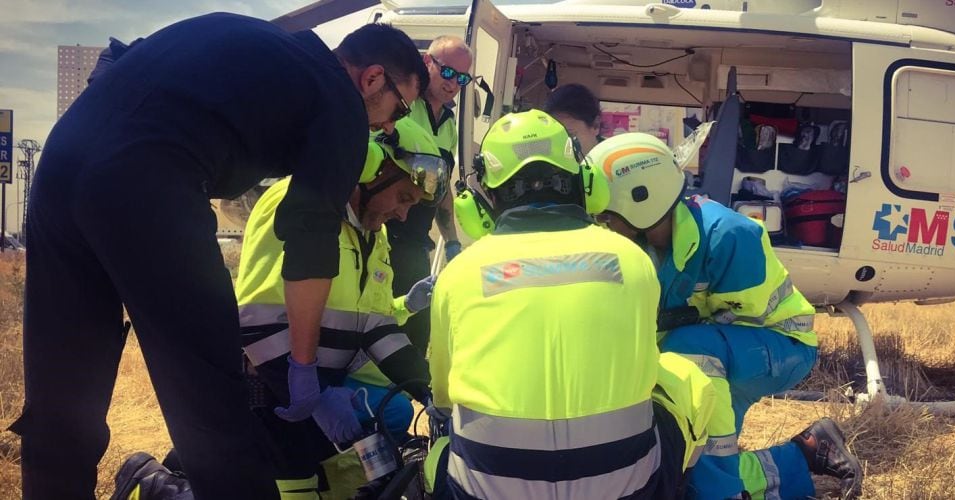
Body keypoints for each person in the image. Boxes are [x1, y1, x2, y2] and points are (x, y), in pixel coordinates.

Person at [14, 13, 428, 499]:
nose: (387, 125)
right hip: (151, 177)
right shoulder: (339, 98)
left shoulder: (262, 43)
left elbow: (117, 62)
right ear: (372, 78)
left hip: (63, 160)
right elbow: (311, 235)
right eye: (399, 109)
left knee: (63, 405)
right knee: (213, 406)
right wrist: (301, 368)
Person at [423, 109, 717, 499]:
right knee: (688, 380)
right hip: (626, 489)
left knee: (440, 447)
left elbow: (443, 396)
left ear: (481, 201)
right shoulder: (632, 260)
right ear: (587, 184)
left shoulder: (459, 273)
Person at [589, 133, 864, 499]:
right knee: (686, 474)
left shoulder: (728, 235)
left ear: (643, 199)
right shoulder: (638, 246)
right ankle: (807, 452)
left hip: (779, 346)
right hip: (715, 349)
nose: (599, 221)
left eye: (605, 212)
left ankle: (721, 492)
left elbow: (727, 325)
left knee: (690, 358)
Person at [236, 117, 446, 498]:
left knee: (335, 487)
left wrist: (429, 389)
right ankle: (159, 487)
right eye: (402, 198)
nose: (402, 215)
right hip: (272, 391)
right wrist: (313, 395)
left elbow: (377, 326)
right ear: (371, 168)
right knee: (289, 489)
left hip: (321, 390)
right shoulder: (296, 201)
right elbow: (257, 321)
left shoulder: (373, 235)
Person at [386, 35, 473, 355]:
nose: (453, 84)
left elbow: (440, 185)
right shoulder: (404, 107)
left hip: (416, 238)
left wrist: (451, 240)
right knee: (383, 323)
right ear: (427, 62)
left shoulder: (449, 124)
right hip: (386, 229)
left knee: (417, 331)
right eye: (448, 72)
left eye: (462, 79)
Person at [542, 83, 604, 154]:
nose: (560, 147)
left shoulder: (616, 162)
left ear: (595, 126)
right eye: (555, 138)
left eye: (570, 136)